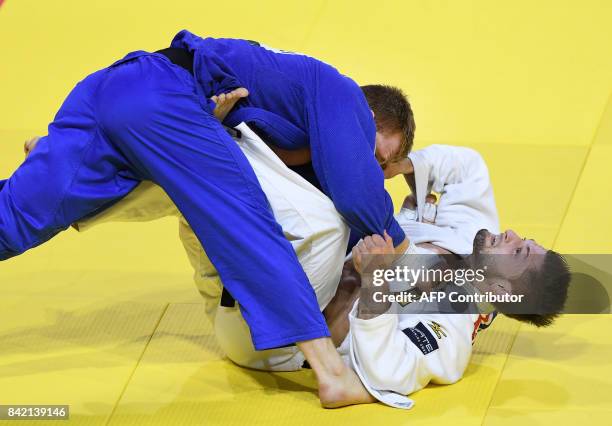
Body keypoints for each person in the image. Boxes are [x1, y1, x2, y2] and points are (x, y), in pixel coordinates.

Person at [0, 32, 415, 407]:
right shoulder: (341, 94)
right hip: (164, 94)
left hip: (119, 86)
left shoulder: (300, 127)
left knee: (13, 220)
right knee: (252, 223)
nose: (373, 170)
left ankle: (64, 164)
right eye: (374, 156)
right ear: (368, 118)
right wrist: (397, 241)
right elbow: (355, 193)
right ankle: (331, 372)